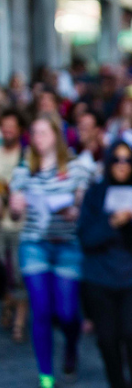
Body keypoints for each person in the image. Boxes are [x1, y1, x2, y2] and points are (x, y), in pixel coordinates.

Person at [9, 114, 91, 388]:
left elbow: (87, 208)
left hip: (67, 245)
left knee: (67, 312)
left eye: (43, 132)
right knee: (41, 309)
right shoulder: (23, 170)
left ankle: (70, 346)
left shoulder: (76, 167)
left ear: (56, 135)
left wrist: (75, 210)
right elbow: (14, 211)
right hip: (34, 245)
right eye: (34, 133)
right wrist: (15, 207)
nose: (37, 138)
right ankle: (46, 375)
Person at [78, 141, 132, 388]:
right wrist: (112, 222)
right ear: (109, 162)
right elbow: (86, 237)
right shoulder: (95, 193)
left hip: (131, 276)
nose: (122, 166)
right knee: (107, 339)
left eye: (127, 160)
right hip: (100, 277)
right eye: (117, 160)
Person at [0, 109, 27, 343]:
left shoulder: (26, 157)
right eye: (4, 125)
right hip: (1, 223)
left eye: (11, 125)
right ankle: (9, 303)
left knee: (19, 273)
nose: (7, 130)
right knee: (3, 272)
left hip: (20, 225)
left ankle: (19, 319)